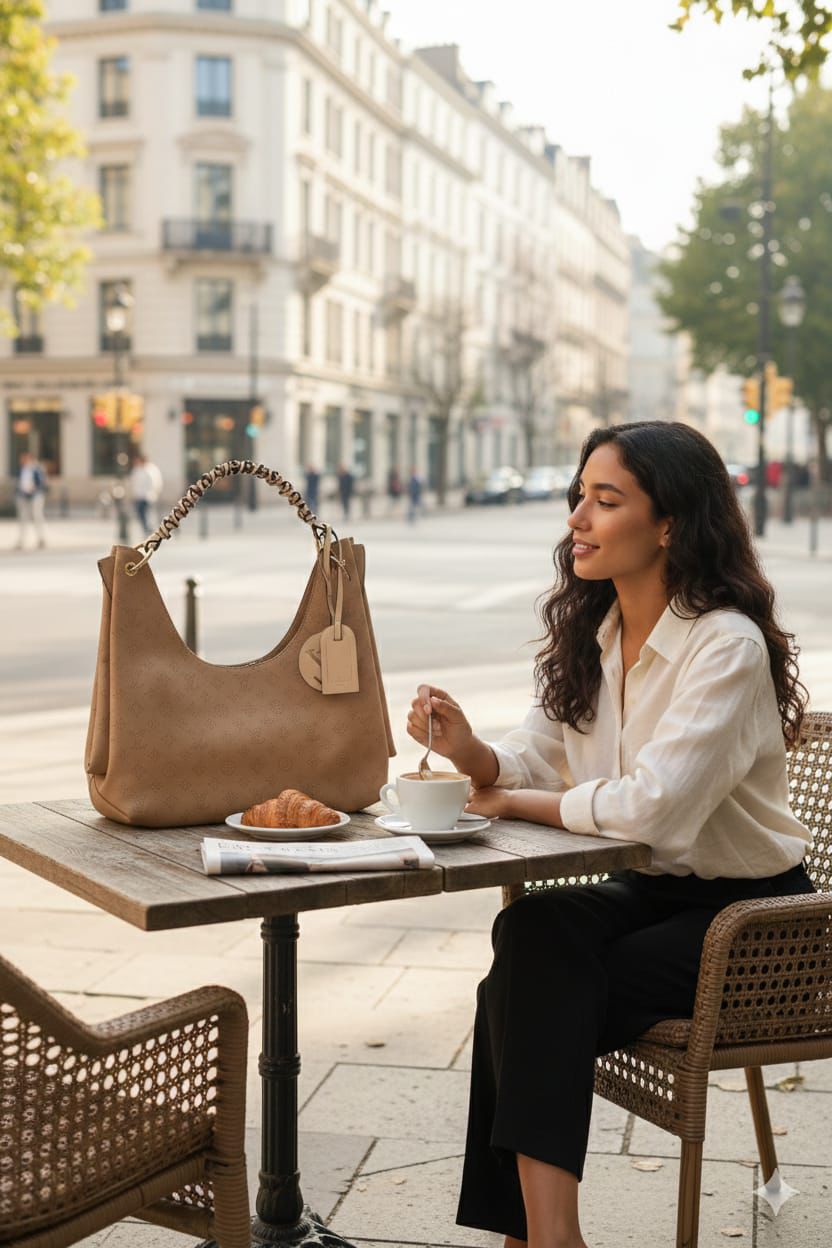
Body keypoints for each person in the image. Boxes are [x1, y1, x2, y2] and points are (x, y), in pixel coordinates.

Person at [407, 421, 814, 1248]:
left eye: (606, 500)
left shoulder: (724, 646)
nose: (578, 519)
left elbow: (652, 811)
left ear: (668, 523)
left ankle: (540, 1239)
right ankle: (550, 1238)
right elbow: (534, 754)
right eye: (578, 497)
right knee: (531, 932)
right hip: (657, 892)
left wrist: (515, 805)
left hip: (758, 926)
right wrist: (470, 753)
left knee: (524, 989)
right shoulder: (595, 634)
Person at [14, 451, 48, 549]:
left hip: (35, 497)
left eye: (25, 458)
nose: (23, 461)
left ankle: (41, 539)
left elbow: (42, 482)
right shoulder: (21, 470)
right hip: (23, 497)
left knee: (37, 517)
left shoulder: (37, 469)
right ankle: (21, 541)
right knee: (23, 519)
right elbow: (18, 482)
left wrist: (34, 488)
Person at [129, 453, 163, 534]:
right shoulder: (136, 470)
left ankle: (150, 528)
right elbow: (134, 482)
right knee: (140, 513)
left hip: (148, 496)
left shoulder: (150, 469)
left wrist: (153, 493)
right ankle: (147, 528)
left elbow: (155, 483)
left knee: (147, 513)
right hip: (139, 496)